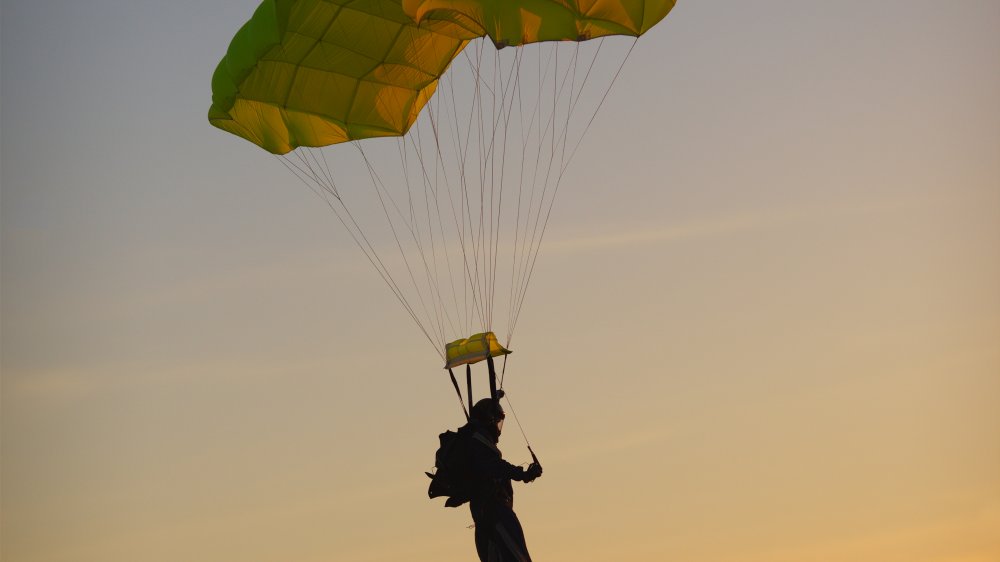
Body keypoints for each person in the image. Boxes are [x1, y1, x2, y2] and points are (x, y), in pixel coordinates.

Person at [463, 398, 543, 562]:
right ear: (489, 420)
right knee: (517, 557)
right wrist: (524, 475)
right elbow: (497, 466)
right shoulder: (479, 440)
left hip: (483, 516)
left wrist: (496, 397)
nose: (499, 429)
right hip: (496, 513)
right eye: (497, 422)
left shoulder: (472, 438)